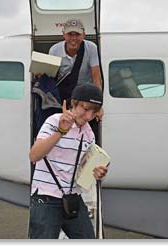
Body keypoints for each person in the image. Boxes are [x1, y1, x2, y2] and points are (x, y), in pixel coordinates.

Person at [28, 84, 108, 239]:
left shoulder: (88, 133)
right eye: (85, 109)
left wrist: (98, 172)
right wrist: (61, 131)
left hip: (72, 198)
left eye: (94, 111)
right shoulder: (54, 121)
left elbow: (85, 169)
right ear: (73, 103)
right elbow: (34, 155)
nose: (88, 116)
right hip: (46, 197)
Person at [49, 18, 103, 120]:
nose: (73, 38)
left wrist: (99, 105)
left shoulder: (91, 48)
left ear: (84, 35)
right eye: (70, 34)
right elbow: (50, 78)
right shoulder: (54, 50)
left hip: (85, 95)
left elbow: (96, 78)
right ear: (63, 34)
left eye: (77, 35)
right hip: (63, 95)